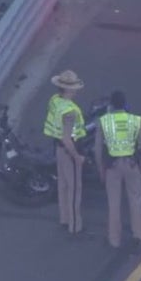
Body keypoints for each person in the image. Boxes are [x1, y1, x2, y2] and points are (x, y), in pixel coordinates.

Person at [94, 90, 141, 251]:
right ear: (125, 104)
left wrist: (100, 169)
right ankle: (140, 235)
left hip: (112, 167)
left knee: (113, 204)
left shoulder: (103, 122)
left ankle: (114, 239)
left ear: (111, 104)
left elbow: (97, 149)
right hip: (132, 165)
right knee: (136, 201)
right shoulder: (135, 120)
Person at [43, 70, 88, 238]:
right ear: (68, 90)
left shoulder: (54, 100)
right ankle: (75, 226)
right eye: (74, 87)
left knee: (63, 186)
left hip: (58, 149)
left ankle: (64, 218)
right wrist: (78, 157)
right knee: (74, 188)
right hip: (69, 151)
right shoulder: (70, 111)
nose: (76, 90)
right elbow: (67, 138)